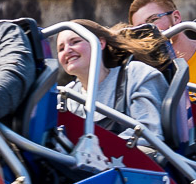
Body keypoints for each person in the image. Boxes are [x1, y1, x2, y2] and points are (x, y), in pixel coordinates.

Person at [54, 20, 171, 149]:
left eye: (75, 42)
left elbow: (149, 134)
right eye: (61, 48)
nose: (67, 50)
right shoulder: (66, 97)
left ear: (100, 43)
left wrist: (98, 150)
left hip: (135, 163)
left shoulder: (135, 74)